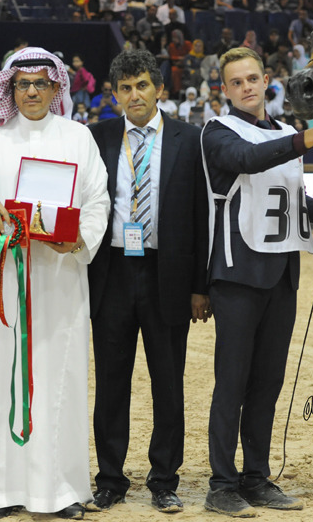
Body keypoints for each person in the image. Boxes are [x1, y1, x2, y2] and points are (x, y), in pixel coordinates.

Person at [0, 47, 110, 520]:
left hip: (60, 280)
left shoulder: (78, 137)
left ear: (57, 87)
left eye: (42, 83)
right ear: (10, 89)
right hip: (3, 284)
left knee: (60, 381)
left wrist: (79, 240)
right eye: (23, 84)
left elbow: (98, 201)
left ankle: (59, 492)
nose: (33, 92)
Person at [200, 48, 313, 517]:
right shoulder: (217, 131)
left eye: (252, 78)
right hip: (237, 273)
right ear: (225, 89)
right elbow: (247, 160)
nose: (246, 87)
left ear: (266, 81)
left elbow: (284, 196)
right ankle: (221, 484)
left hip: (282, 273)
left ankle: (256, 478)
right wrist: (310, 137)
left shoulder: (284, 131)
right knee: (232, 382)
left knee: (267, 383)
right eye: (235, 82)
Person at [87, 49, 209, 514]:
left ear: (159, 89)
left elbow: (202, 216)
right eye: (125, 88)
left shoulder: (189, 139)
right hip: (112, 273)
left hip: (168, 275)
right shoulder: (97, 137)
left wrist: (200, 286)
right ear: (114, 93)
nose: (134, 95)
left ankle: (164, 480)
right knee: (111, 383)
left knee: (168, 384)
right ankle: (110, 480)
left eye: (141, 85)